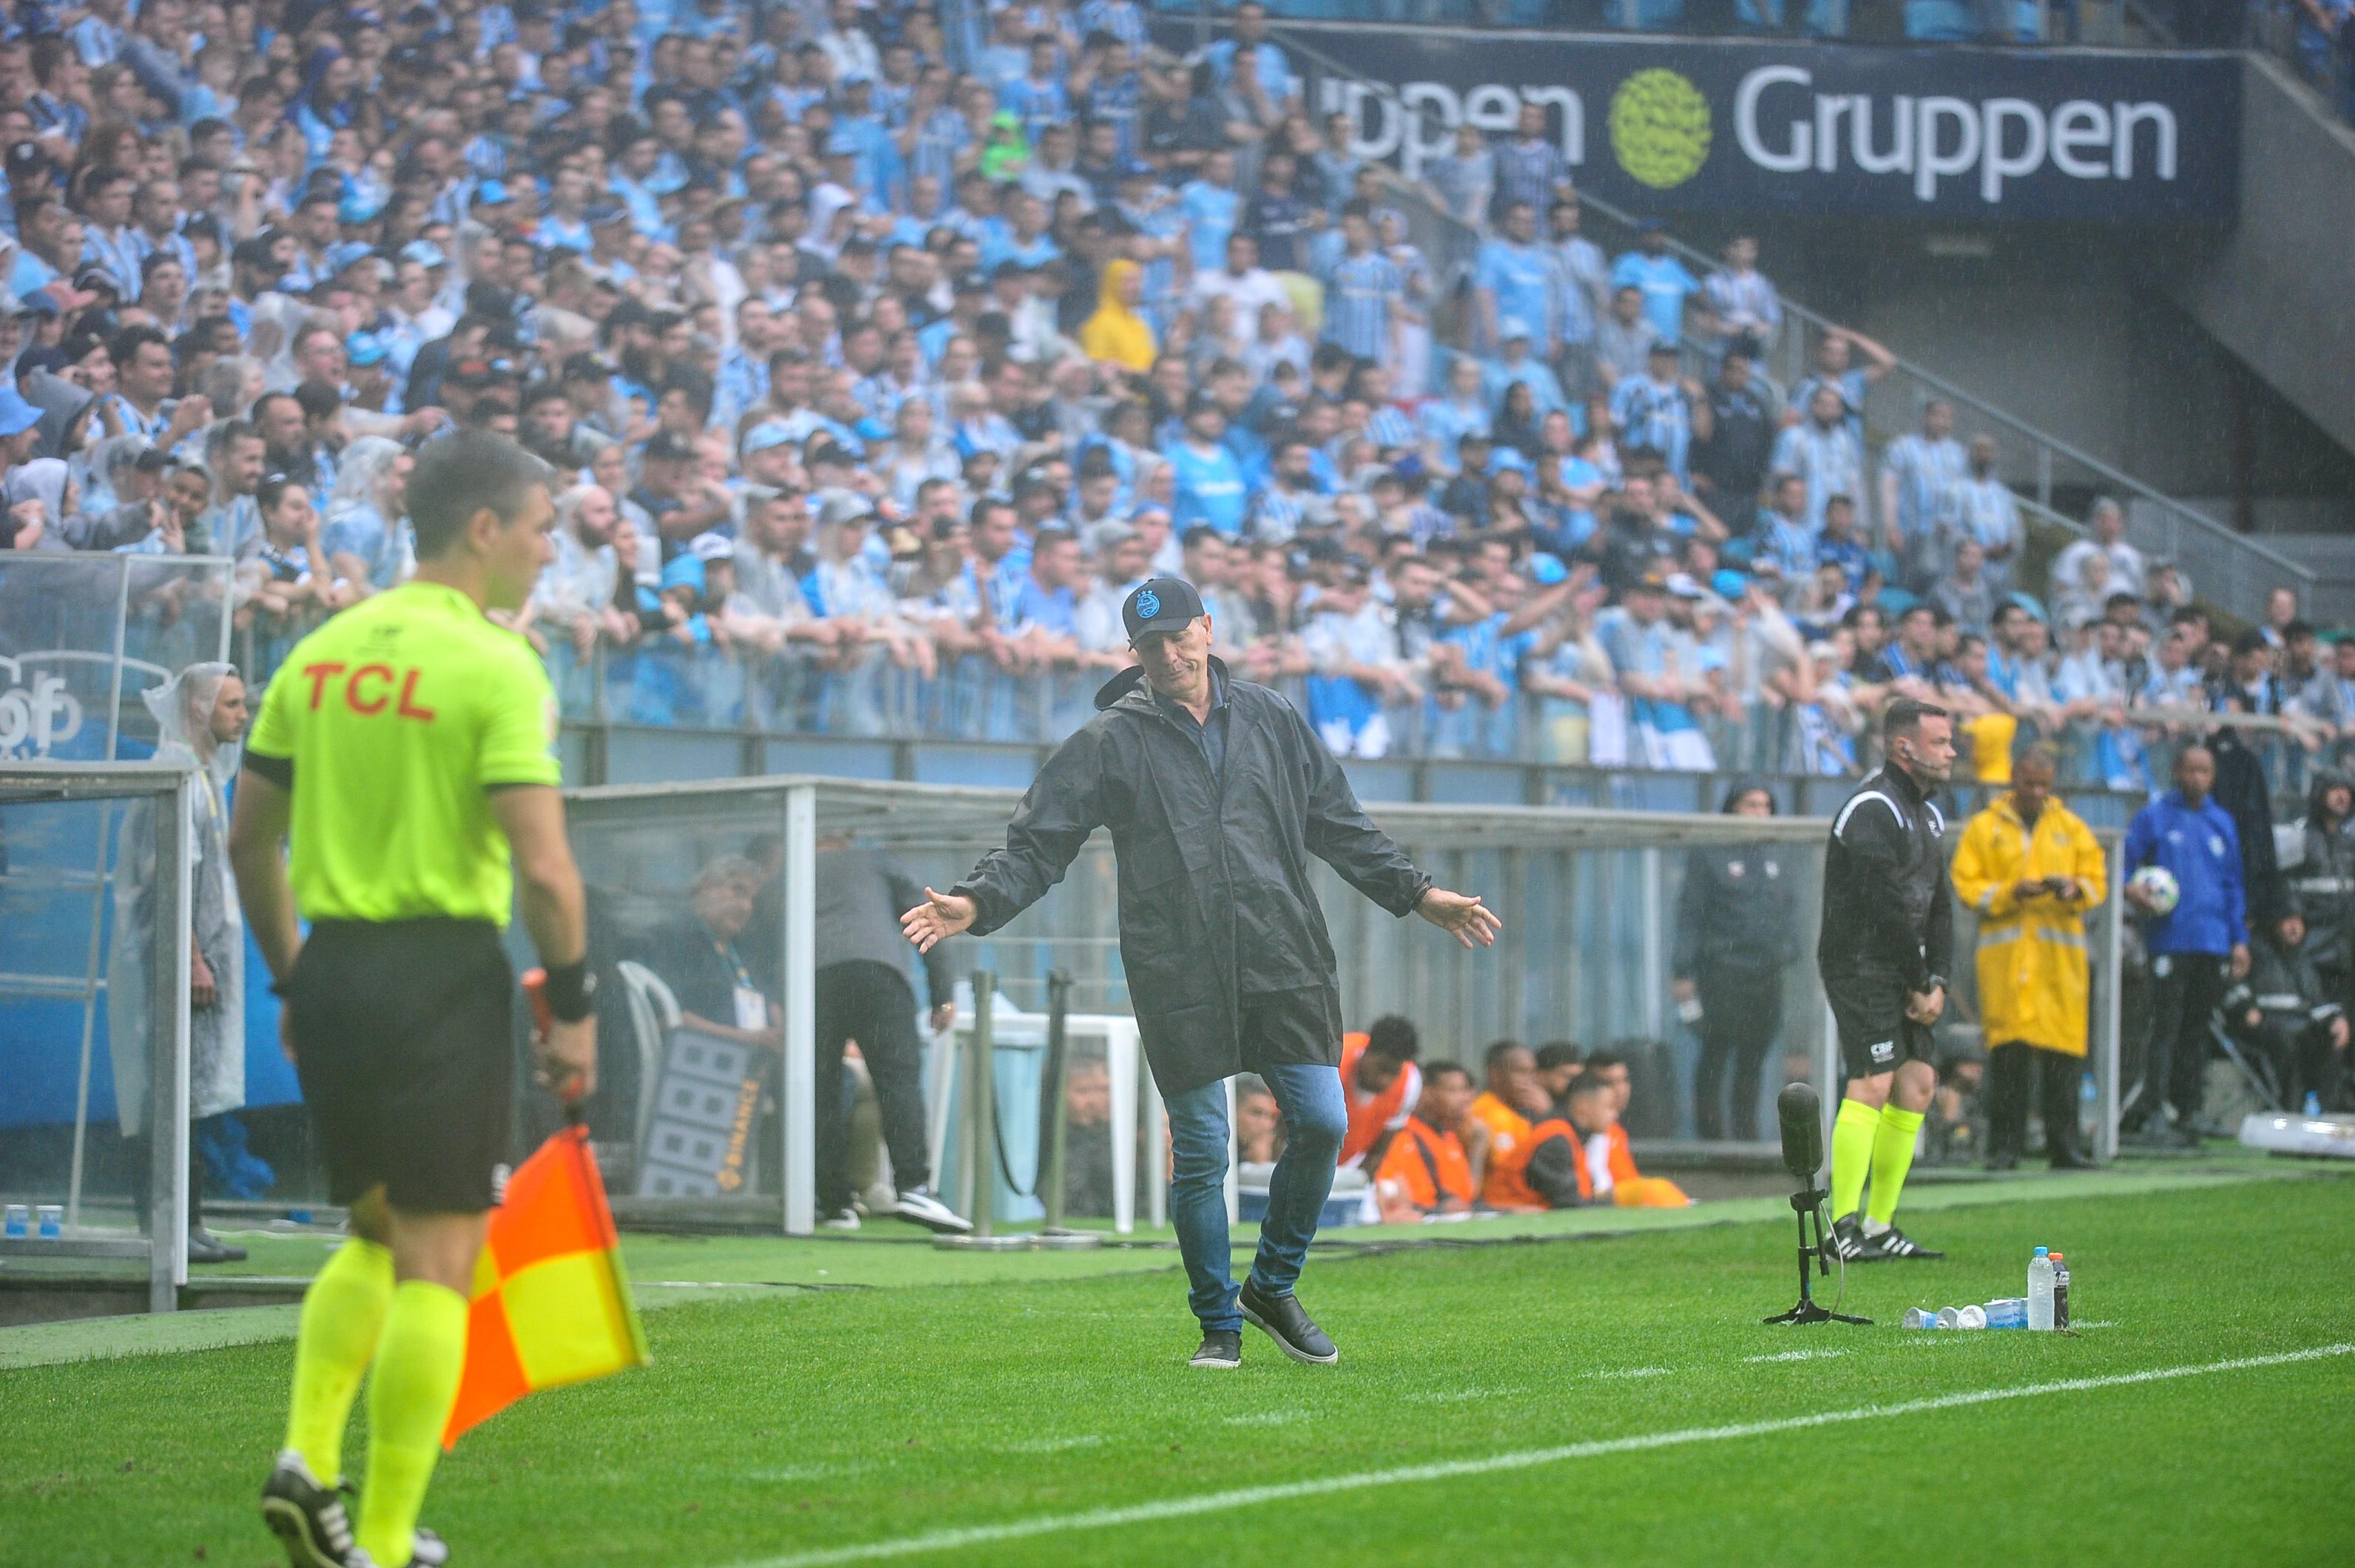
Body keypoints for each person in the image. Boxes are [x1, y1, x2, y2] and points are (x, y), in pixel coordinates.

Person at [901, 575, 1499, 1371]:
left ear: (1209, 628)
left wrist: (1419, 894)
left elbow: (1339, 824)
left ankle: (1271, 1286)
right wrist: (976, 901)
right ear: (1134, 652)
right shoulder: (1109, 740)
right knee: (1203, 1149)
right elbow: (1037, 844)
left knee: (1324, 1121)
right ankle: (1218, 1322)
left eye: (1180, 635)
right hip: (1175, 967)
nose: (1169, 653)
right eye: (1151, 644)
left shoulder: (1272, 717)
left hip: (1284, 954)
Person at [231, 433, 596, 1568]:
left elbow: (247, 842)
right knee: (442, 1261)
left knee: (377, 1231)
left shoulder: (319, 653)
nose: (550, 552)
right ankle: (386, 1541)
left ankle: (306, 1459)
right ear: (484, 529)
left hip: (333, 968)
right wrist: (574, 1006)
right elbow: (545, 870)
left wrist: (295, 978)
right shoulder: (497, 666)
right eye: (541, 528)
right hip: (441, 978)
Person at [108, 662, 251, 1265]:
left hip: (195, 960)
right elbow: (170, 877)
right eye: (231, 705)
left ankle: (187, 1223)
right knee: (167, 1093)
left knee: (187, 1096)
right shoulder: (176, 776)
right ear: (198, 709)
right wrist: (192, 958)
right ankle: (164, 1227)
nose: (242, 716)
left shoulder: (202, 775)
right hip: (171, 962)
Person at [1818, 697, 1957, 1263]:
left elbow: (1940, 906)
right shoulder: (1871, 808)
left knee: (1918, 1083)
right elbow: (1883, 903)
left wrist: (1937, 977)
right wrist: (1919, 977)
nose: (1951, 753)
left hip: (1907, 969)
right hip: (1860, 963)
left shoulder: (1928, 815)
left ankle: (1879, 1225)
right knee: (1872, 1082)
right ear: (1904, 747)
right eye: (1940, 742)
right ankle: (1840, 1227)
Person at [1948, 744, 2106, 1171]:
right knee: (2008, 1058)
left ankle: (2065, 1147)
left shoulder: (2070, 827)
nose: (2036, 792)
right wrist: (2009, 892)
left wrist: (2073, 889)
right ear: (2015, 778)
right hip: (2007, 965)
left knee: (2063, 1058)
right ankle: (2005, 1148)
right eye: (2029, 783)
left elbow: (2097, 880)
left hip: (2058, 966)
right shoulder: (1985, 828)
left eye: (2043, 785)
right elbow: (1966, 884)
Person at [811, 839, 970, 1233]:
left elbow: (766, 935)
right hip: (877, 974)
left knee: (821, 1087)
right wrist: (942, 994)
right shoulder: (874, 859)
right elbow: (927, 919)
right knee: (898, 1082)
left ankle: (831, 1199)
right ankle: (914, 1186)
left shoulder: (793, 869)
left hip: (816, 977)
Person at [2121, 744, 2249, 1146]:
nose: (2197, 777)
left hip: (2212, 942)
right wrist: (2131, 888)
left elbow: (2233, 885)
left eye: (2204, 771)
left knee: (2197, 1027)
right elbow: (2123, 863)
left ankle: (2188, 1109)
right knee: (2164, 1026)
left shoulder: (2221, 822)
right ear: (2176, 772)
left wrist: (2239, 940)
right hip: (2169, 940)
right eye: (2190, 770)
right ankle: (2152, 1107)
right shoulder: (2154, 816)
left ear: (2213, 777)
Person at [1672, 778, 1801, 1143]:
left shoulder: (1779, 853)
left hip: (1767, 973)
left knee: (1754, 1057)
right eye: (1751, 805)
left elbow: (1791, 910)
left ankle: (1746, 1137)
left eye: (1765, 806)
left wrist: (1789, 950)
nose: (1760, 813)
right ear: (1732, 809)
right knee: (1715, 1053)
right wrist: (1682, 969)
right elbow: (1690, 914)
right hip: (1721, 972)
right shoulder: (1710, 853)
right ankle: (1711, 1138)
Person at [2223, 902, 2349, 1112]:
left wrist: (2336, 1019)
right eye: (2288, 921)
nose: (2295, 927)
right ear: (2274, 925)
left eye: (2299, 921)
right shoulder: (2252, 953)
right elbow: (2230, 985)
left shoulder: (2303, 962)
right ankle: (2288, 1110)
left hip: (2301, 1028)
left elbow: (2319, 1003)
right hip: (2263, 1027)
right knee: (2286, 1043)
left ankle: (2326, 1111)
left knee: (2332, 1039)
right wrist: (2245, 1008)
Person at [1373, 1061, 1479, 1220]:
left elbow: (1465, 1197)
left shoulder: (1450, 1135)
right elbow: (1390, 1200)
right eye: (1453, 1090)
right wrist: (1441, 1209)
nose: (1465, 1098)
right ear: (1427, 1093)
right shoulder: (1403, 1133)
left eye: (1465, 1090)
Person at [1336, 1014, 1421, 1171]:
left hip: (1349, 1167)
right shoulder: (1334, 1062)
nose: (1385, 1081)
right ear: (1367, 1051)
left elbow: (1378, 1155)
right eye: (1382, 1069)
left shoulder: (1410, 1082)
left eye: (1394, 1073)